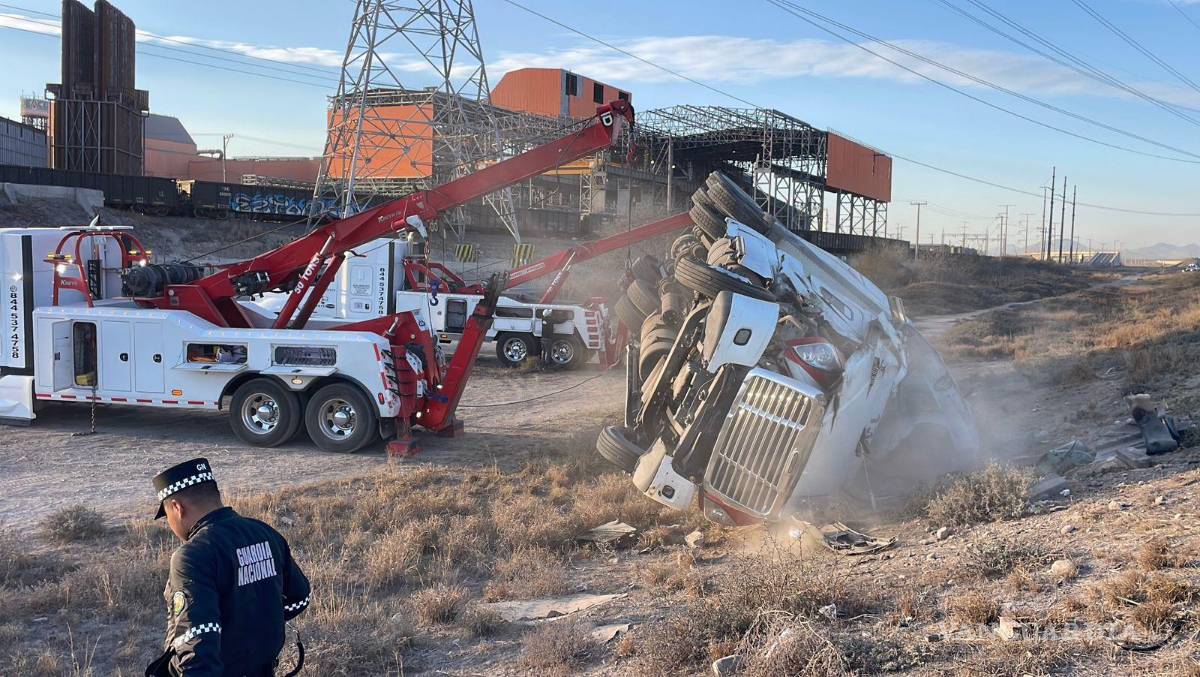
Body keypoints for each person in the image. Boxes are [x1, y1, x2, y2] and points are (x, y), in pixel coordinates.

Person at [145, 458, 310, 676]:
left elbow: (197, 641)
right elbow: (300, 598)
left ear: (177, 507)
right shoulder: (264, 532)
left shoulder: (191, 556)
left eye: (167, 516)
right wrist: (257, 618)